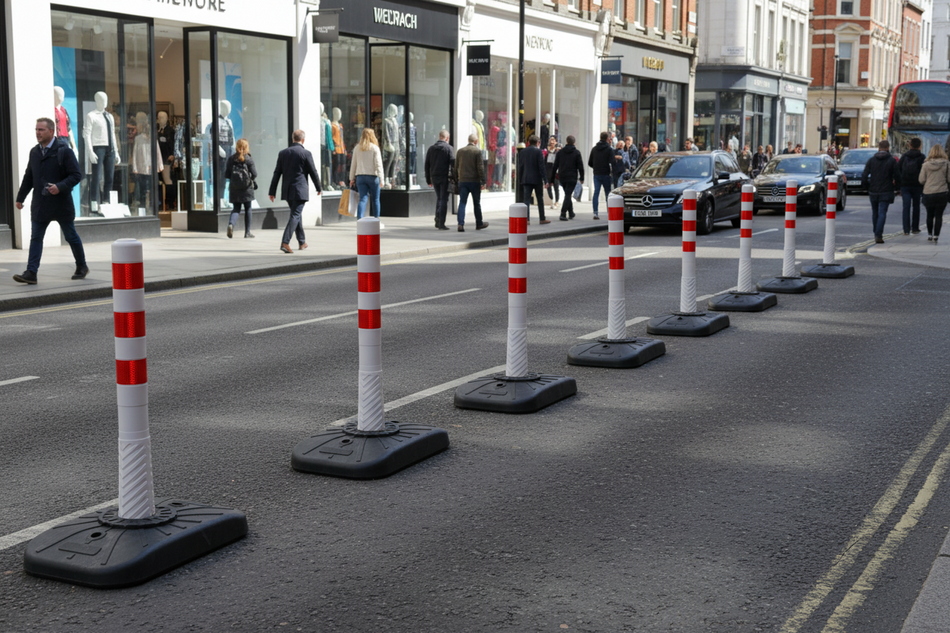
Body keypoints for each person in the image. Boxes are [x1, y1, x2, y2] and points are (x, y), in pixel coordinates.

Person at [13, 117, 86, 285]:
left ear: (51, 131)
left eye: (41, 130)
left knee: (71, 236)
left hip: (61, 204)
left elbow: (76, 175)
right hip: (40, 204)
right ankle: (31, 273)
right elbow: (29, 177)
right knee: (36, 238)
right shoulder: (34, 152)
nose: (37, 133)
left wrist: (60, 186)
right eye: (36, 129)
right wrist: (20, 197)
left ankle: (82, 266)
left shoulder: (64, 151)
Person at [268, 129, 322, 254]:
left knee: (296, 214)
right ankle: (285, 242)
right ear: (303, 140)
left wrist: (272, 191)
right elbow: (313, 171)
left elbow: (277, 173)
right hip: (300, 190)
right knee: (295, 215)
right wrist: (318, 187)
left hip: (287, 191)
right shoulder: (305, 153)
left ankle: (302, 242)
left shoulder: (283, 153)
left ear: (293, 138)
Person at [862, 139, 899, 244]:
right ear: (888, 148)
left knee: (875, 213)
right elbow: (897, 176)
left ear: (879, 148)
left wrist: (867, 187)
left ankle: (876, 233)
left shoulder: (871, 160)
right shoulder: (892, 161)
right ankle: (878, 234)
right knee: (882, 212)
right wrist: (897, 188)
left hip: (873, 190)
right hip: (886, 190)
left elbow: (864, 175)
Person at [455, 133, 490, 232]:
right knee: (476, 203)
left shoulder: (460, 151)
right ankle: (479, 223)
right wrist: (483, 181)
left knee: (462, 202)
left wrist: (456, 179)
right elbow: (480, 167)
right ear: (476, 141)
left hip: (463, 181)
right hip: (474, 181)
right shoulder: (477, 151)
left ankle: (460, 224)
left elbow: (456, 166)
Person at [224, 138, 258, 238]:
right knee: (248, 208)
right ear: (246, 147)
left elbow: (227, 174)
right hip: (247, 188)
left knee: (236, 208)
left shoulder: (231, 159)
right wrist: (250, 179)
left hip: (234, 188)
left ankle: (231, 224)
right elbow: (255, 174)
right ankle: (247, 232)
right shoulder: (248, 159)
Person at [349, 128, 384, 220]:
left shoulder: (357, 148)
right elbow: (378, 165)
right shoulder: (375, 148)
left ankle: (360, 220)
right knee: (375, 199)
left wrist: (351, 178)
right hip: (373, 177)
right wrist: (381, 179)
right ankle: (376, 219)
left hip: (360, 177)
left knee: (362, 199)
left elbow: (353, 164)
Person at [918, 144, 950, 243]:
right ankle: (936, 235)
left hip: (928, 192)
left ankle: (929, 234)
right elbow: (949, 179)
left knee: (929, 214)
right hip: (942, 192)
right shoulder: (947, 164)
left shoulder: (925, 165)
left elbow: (921, 180)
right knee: (939, 215)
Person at [424, 129, 454, 230]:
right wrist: (454, 178)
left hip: (434, 177)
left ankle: (437, 219)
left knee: (439, 198)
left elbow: (427, 165)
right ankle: (441, 223)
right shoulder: (449, 148)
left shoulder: (431, 149)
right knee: (443, 199)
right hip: (444, 177)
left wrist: (428, 179)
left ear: (439, 136)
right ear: (447, 138)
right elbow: (453, 164)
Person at [518, 134, 549, 224]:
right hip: (537, 179)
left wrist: (521, 178)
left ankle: (526, 219)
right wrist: (545, 180)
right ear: (538, 143)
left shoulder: (523, 152)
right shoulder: (539, 152)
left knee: (526, 200)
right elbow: (541, 167)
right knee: (540, 199)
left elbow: (520, 166)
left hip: (526, 179)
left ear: (528, 142)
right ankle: (542, 218)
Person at [897, 137, 925, 235]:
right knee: (916, 206)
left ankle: (906, 229)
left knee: (906, 207)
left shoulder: (904, 156)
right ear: (920, 146)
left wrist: (899, 185)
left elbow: (898, 170)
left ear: (910, 145)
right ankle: (915, 228)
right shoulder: (922, 157)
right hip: (917, 185)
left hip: (905, 185)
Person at [553, 135, 584, 221]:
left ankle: (571, 212)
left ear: (566, 142)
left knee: (567, 193)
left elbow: (555, 166)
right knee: (568, 194)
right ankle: (563, 213)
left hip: (562, 176)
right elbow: (580, 166)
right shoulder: (577, 153)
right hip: (572, 176)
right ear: (574, 142)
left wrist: (552, 178)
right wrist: (582, 177)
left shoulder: (560, 153)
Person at [587, 131, 614, 220]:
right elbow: (612, 162)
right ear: (607, 139)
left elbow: (590, 163)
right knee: (608, 194)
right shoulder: (609, 149)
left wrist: (596, 167)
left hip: (597, 174)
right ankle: (609, 213)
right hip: (606, 173)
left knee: (596, 193)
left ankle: (595, 212)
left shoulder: (594, 149)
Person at [544, 136, 560, 212]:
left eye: (553, 140)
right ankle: (552, 199)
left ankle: (556, 201)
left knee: (556, 187)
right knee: (548, 187)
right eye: (551, 140)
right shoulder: (547, 151)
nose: (552, 142)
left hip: (555, 171)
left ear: (556, 142)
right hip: (548, 171)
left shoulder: (557, 151)